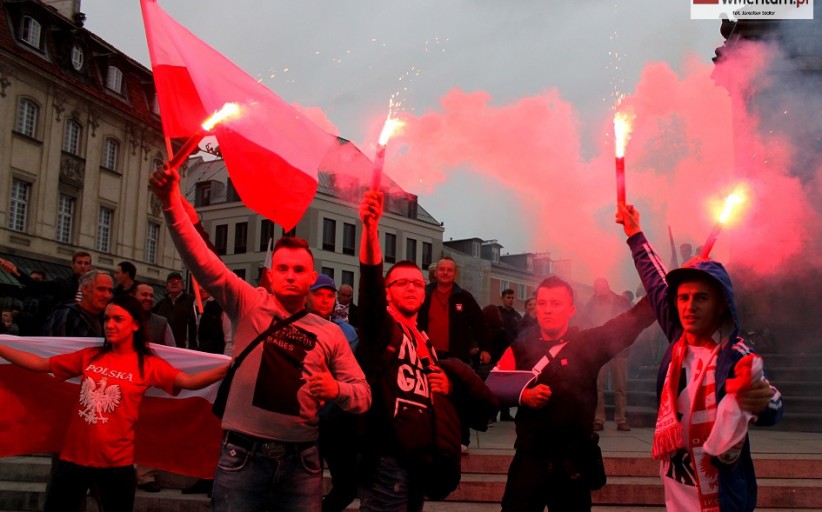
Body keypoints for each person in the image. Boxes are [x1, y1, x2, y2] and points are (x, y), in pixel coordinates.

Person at [149, 164, 370, 512]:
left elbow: (362, 394)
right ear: (270, 273)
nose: (291, 276)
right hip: (243, 457)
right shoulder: (248, 303)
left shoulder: (330, 332)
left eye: (299, 270)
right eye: (283, 269)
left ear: (311, 277)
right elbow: (201, 259)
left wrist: (335, 389)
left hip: (302, 463)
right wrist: (169, 202)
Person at [618, 204, 784, 512]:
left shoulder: (734, 354)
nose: (690, 306)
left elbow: (771, 400)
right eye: (683, 297)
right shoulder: (678, 338)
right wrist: (634, 233)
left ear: (721, 305)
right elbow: (655, 280)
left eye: (701, 298)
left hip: (719, 497)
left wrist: (763, 399)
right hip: (676, 489)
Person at [0, 294, 228, 512]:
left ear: (135, 325)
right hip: (73, 460)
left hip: (116, 465)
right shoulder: (90, 355)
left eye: (118, 319)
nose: (109, 325)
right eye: (107, 319)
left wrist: (229, 368)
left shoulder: (148, 364)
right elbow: (40, 364)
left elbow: (189, 381)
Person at [356, 190, 497, 512]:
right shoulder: (382, 329)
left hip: (418, 458)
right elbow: (370, 285)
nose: (411, 287)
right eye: (401, 283)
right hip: (386, 458)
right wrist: (369, 230)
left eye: (417, 284)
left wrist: (446, 387)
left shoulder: (422, 338)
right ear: (387, 293)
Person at [490, 275, 655, 512]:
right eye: (542, 303)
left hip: (573, 462)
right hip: (530, 459)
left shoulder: (587, 343)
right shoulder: (520, 348)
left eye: (556, 303)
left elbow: (632, 321)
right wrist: (523, 395)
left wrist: (663, 289)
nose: (548, 309)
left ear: (571, 310)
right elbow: (493, 386)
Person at [417, 256, 491, 451]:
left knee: (459, 397)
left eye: (450, 270)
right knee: (427, 398)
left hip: (456, 357)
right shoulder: (424, 294)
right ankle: (428, 438)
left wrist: (485, 348)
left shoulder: (464, 297)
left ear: (455, 273)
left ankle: (462, 440)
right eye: (442, 269)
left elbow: (480, 323)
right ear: (435, 273)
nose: (445, 273)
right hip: (428, 356)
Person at [308, 274, 360, 512]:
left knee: (347, 486)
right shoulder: (294, 326)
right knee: (307, 485)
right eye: (318, 294)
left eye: (329, 295)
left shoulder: (347, 332)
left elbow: (354, 375)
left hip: (336, 420)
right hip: (303, 421)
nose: (324, 299)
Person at [583, 277, 633, 432]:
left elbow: (630, 322)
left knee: (620, 386)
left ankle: (621, 419)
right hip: (599, 348)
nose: (599, 290)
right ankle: (599, 419)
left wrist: (626, 341)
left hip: (619, 347)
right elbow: (585, 324)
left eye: (602, 287)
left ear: (608, 287)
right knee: (598, 386)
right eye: (597, 287)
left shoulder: (620, 301)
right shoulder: (590, 304)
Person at [0, 251, 91, 306]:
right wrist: (15, 271)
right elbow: (35, 285)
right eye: (79, 262)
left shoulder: (94, 285)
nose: (83, 266)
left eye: (86, 263)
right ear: (72, 265)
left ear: (89, 266)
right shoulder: (62, 283)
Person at [43, 270, 113, 338]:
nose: (107, 295)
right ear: (85, 289)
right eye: (101, 289)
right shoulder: (65, 316)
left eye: (110, 291)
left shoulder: (108, 319)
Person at [152, 272, 196, 349]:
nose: (173, 283)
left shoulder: (192, 301)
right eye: (170, 281)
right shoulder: (161, 304)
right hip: (164, 347)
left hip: (184, 348)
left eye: (176, 281)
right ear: (166, 286)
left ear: (182, 284)